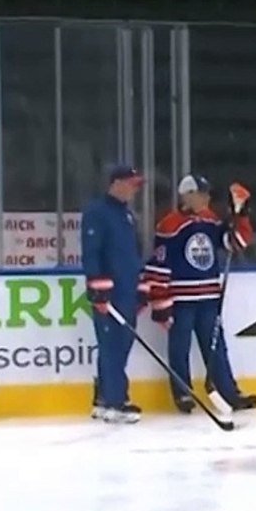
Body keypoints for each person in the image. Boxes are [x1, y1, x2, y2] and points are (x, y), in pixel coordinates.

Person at [142, 175, 256, 413]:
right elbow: (158, 266)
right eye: (201, 193)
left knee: (216, 347)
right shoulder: (169, 225)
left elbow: (234, 242)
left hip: (208, 299)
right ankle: (182, 393)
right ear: (187, 195)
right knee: (179, 347)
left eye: (207, 194)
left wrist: (241, 215)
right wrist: (161, 304)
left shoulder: (210, 220)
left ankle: (229, 392)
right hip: (182, 300)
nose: (206, 198)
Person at [82, 164, 147, 424]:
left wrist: (140, 287)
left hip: (127, 291)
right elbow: (91, 252)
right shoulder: (97, 213)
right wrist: (98, 289)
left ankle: (103, 398)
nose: (134, 190)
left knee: (121, 345)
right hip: (109, 293)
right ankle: (115, 400)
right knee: (112, 346)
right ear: (116, 183)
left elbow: (133, 254)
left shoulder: (127, 215)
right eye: (131, 184)